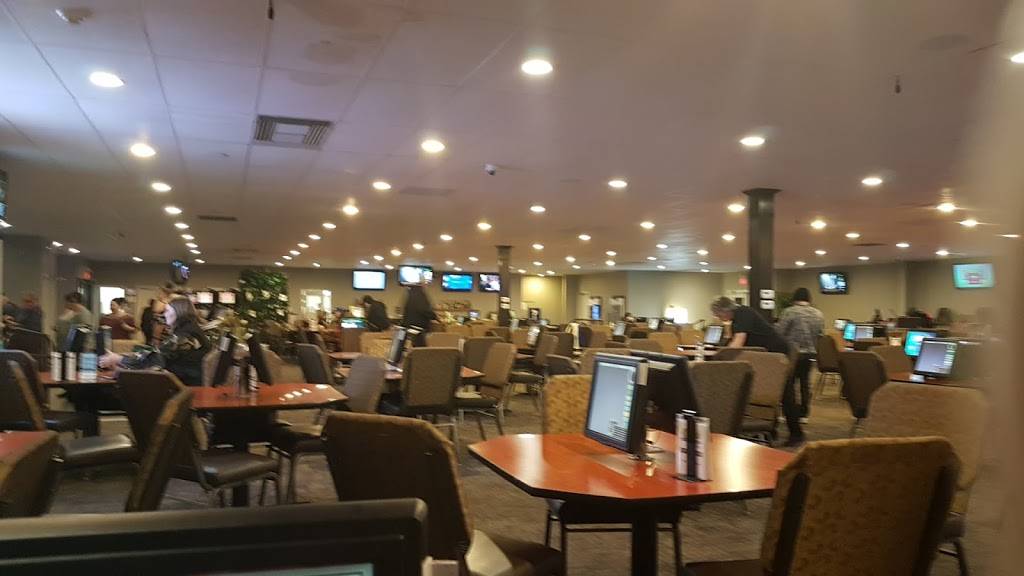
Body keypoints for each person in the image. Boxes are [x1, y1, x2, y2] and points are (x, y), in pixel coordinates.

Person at [775, 288, 824, 446]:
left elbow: (779, 333)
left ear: (794, 298)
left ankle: (792, 414)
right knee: (805, 383)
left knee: (789, 386)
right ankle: (804, 413)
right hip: (810, 353)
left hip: (793, 353)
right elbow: (820, 334)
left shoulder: (789, 312)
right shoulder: (818, 314)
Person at [158, 296, 210, 386]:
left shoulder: (187, 333)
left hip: (186, 384)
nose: (165, 314)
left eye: (168, 311)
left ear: (178, 312)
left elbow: (161, 353)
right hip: (186, 378)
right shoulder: (189, 328)